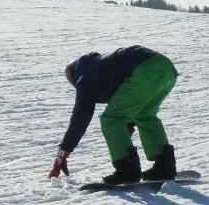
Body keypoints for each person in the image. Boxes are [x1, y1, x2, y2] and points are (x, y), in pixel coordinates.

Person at [51, 46, 179, 184]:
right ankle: (165, 167)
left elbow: (81, 116)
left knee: (112, 119)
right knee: (144, 116)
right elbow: (130, 99)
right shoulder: (101, 66)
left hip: (144, 71)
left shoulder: (84, 76)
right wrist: (129, 122)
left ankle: (128, 170)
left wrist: (64, 151)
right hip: (167, 69)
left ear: (73, 77)